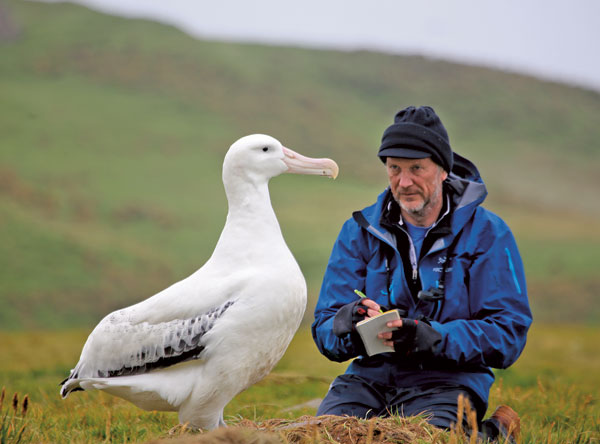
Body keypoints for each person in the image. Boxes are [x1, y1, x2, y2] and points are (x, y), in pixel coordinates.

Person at [311, 106, 532, 441]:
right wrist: (348, 324)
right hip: (368, 378)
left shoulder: (489, 234)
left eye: (417, 169)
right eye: (394, 168)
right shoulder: (357, 232)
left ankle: (495, 434)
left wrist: (434, 338)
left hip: (448, 380)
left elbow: (508, 333)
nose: (404, 181)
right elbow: (325, 325)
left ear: (443, 169)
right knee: (321, 438)